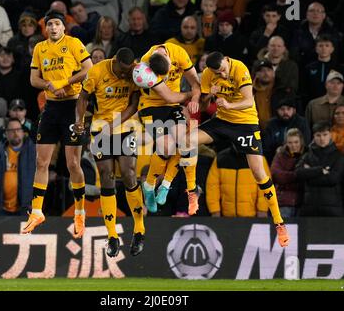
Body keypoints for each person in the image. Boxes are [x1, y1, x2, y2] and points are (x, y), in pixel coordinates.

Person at [190, 51, 290, 247]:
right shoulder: (209, 75)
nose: (223, 75)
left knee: (259, 173)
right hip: (222, 121)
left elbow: (248, 102)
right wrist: (208, 94)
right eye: (218, 73)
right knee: (186, 142)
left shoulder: (239, 68)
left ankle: (279, 222)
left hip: (245, 123)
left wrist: (227, 103)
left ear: (227, 60)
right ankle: (191, 191)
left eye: (223, 71)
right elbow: (203, 107)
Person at [23, 9, 93, 236]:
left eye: (56, 24)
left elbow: (88, 69)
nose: (53, 28)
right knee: (41, 162)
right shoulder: (40, 48)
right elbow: (33, 79)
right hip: (51, 107)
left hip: (73, 106)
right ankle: (36, 211)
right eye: (49, 24)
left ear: (63, 27)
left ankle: (80, 213)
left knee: (73, 164)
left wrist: (65, 82)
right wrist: (49, 85)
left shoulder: (73, 43)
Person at [75, 48, 145, 258]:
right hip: (100, 127)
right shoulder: (97, 72)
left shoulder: (134, 72)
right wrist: (79, 121)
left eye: (129, 69)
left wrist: (115, 123)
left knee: (128, 172)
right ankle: (112, 235)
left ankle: (139, 229)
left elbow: (134, 104)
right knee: (106, 177)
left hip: (126, 126)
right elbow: (83, 97)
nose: (126, 74)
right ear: (114, 61)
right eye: (123, 70)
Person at [138, 42, 201, 215]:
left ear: (169, 59)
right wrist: (189, 96)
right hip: (150, 106)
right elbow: (168, 95)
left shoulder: (179, 53)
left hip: (173, 105)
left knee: (184, 141)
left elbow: (195, 83)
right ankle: (149, 185)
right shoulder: (144, 65)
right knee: (166, 147)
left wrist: (195, 99)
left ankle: (165, 184)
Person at [0, 118, 36, 215]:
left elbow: (41, 178)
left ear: (23, 132)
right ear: (6, 134)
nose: (15, 133)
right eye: (11, 130)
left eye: (18, 130)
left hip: (25, 208)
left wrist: (36, 203)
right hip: (0, 209)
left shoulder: (33, 152)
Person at [206, 144, 270, 218]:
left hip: (252, 216)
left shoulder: (258, 158)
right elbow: (212, 187)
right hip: (226, 217)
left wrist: (262, 210)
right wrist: (215, 210)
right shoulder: (220, 158)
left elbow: (265, 187)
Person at [296, 121, 344, 217]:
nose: (322, 138)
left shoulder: (338, 156)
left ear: (330, 135)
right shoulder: (307, 156)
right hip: (309, 209)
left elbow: (333, 179)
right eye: (318, 135)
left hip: (333, 209)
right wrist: (320, 170)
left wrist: (309, 175)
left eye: (325, 135)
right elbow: (299, 173)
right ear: (314, 136)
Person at [271, 128, 306, 218]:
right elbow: (277, 176)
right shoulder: (280, 155)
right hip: (284, 203)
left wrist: (287, 177)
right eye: (290, 143)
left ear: (301, 142)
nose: (293, 145)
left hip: (303, 203)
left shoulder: (308, 154)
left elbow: (308, 179)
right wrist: (298, 174)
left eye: (296, 142)